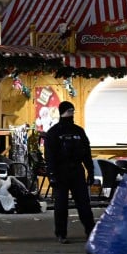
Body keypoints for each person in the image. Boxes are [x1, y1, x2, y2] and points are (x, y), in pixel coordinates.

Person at [43, 101, 95, 244]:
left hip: (76, 170)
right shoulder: (55, 133)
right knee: (61, 205)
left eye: (72, 111)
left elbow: (86, 153)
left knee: (83, 203)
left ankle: (90, 231)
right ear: (62, 112)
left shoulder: (77, 131)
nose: (71, 114)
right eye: (68, 111)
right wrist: (52, 174)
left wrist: (90, 171)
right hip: (61, 172)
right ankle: (61, 233)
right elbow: (50, 156)